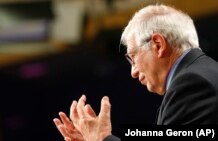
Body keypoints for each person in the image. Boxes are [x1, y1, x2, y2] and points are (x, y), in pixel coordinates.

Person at [53, 4, 218, 141]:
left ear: (158, 45)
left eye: (133, 57)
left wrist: (101, 138)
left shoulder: (192, 84)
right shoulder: (205, 73)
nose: (133, 72)